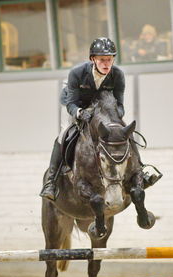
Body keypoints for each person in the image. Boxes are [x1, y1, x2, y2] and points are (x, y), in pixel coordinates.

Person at [40, 37, 151, 201]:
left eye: (109, 59)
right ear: (93, 59)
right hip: (77, 105)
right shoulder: (77, 73)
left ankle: (140, 171)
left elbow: (120, 106)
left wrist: (114, 119)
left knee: (125, 132)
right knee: (63, 135)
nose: (106, 64)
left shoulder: (118, 75)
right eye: (102, 60)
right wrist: (79, 113)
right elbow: (71, 103)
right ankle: (51, 181)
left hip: (104, 112)